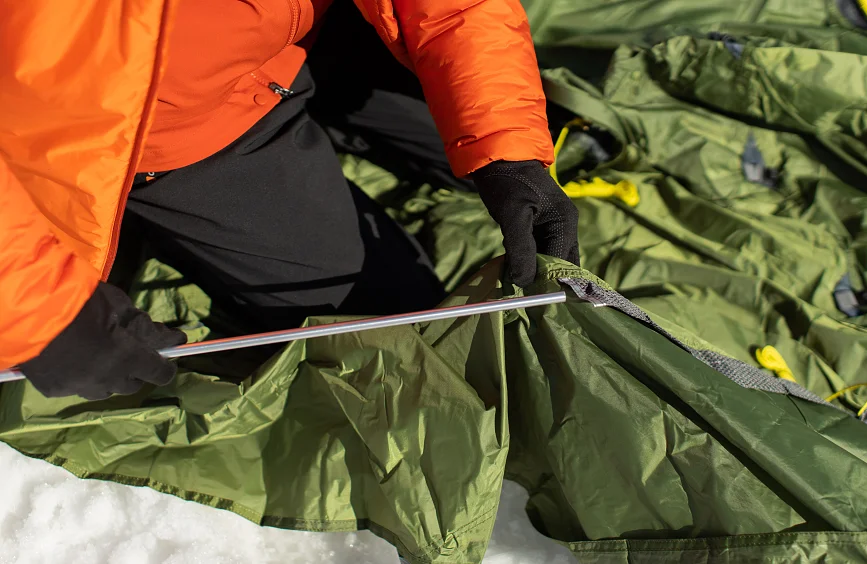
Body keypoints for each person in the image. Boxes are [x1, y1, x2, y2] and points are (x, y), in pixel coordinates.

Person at [0, 0, 580, 400]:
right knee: (383, 326)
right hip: (160, 134)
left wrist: (507, 150)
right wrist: (39, 316)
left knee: (505, 134)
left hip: (286, 46)